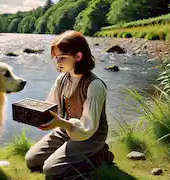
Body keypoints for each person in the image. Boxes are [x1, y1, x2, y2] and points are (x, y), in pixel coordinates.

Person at [25, 30, 114, 179]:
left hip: (90, 137)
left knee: (50, 170)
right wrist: (37, 115)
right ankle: (70, 154)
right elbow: (52, 107)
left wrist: (63, 124)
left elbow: (88, 128)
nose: (57, 63)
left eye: (62, 58)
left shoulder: (95, 85)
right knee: (32, 160)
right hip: (66, 130)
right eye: (55, 58)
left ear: (78, 57)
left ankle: (101, 155)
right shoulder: (61, 80)